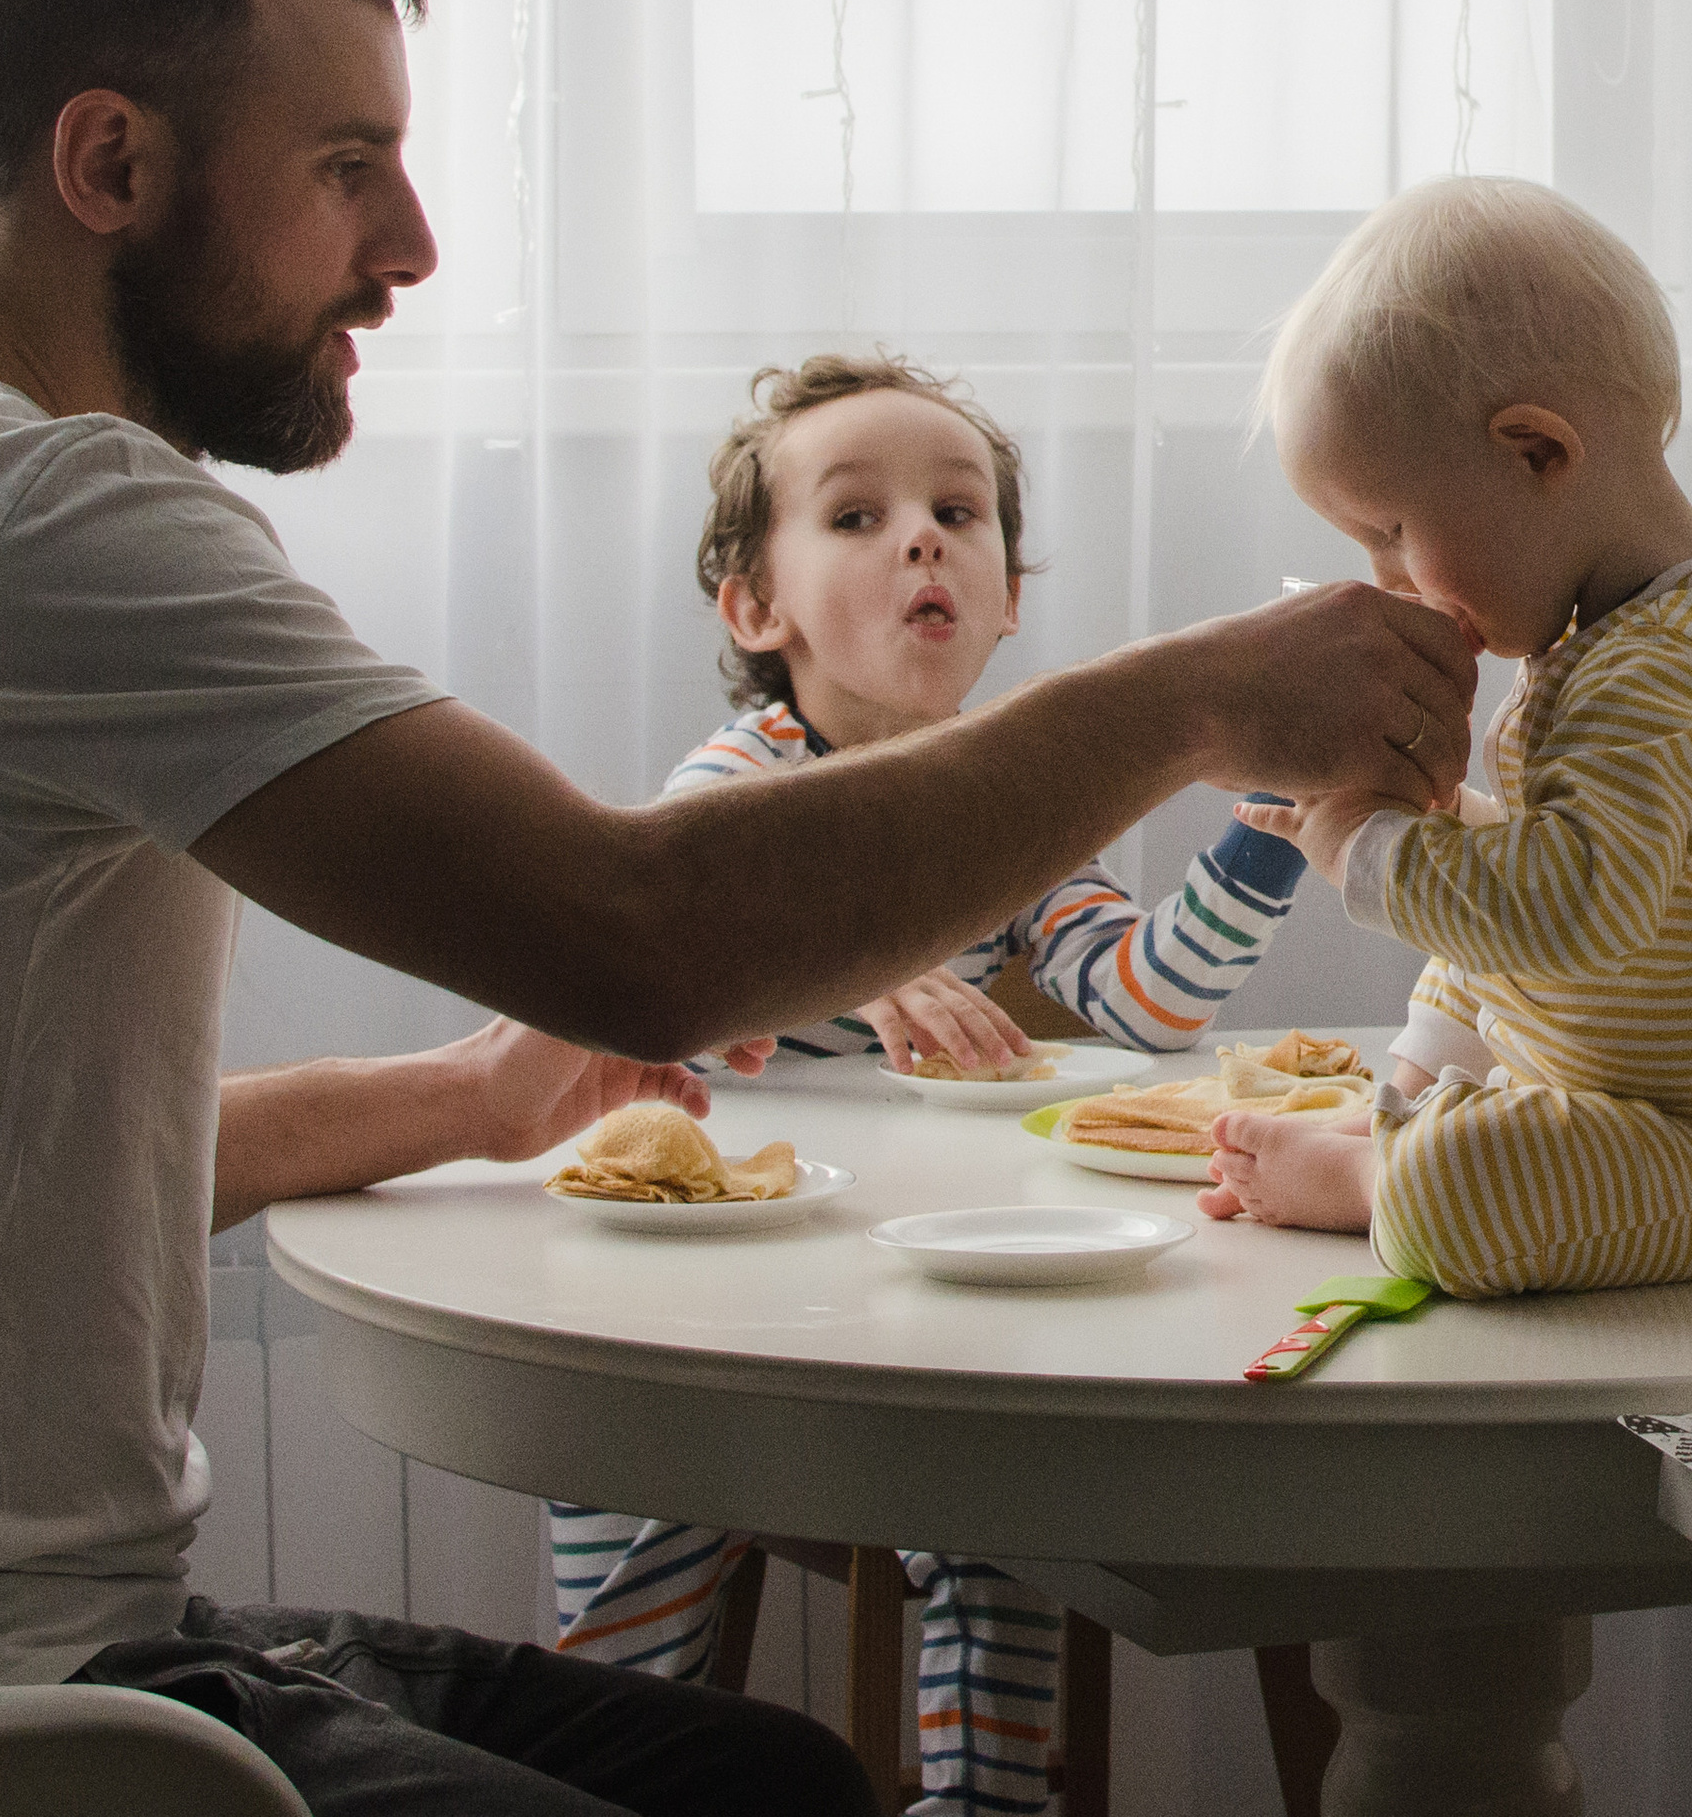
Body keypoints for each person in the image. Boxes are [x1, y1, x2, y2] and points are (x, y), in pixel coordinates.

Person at [0, 0, 1475, 1815]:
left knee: (770, 1775)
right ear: (110, 165)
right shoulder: (63, 517)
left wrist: (472, 1094)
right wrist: (1196, 692)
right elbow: (646, 925)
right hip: (50, 1684)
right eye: (349, 162)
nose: (413, 241)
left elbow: (64, 1166)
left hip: (108, 1631)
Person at [550, 351, 1307, 1817]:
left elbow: (1146, 1002)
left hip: (923, 1282)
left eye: (960, 513)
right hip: (711, 1293)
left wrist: (1267, 830)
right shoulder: (741, 781)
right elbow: (680, 954)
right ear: (756, 609)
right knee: (627, 1513)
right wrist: (841, 951)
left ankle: (983, 1801)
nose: (923, 538)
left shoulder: (1018, 802)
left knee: (1000, 1508)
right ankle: (591, 1773)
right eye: (855, 517)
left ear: (1008, 597)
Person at [1199, 176, 1692, 1300]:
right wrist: (1435, 825)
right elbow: (1568, 887)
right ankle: (1404, 1098)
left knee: (1453, 1181)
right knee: (1473, 863)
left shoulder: (1666, 676)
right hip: (1641, 1091)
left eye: (1392, 532)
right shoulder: (1642, 626)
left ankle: (1383, 1176)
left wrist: (1358, 841)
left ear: (1535, 454)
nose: (1386, 579)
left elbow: (1571, 915)